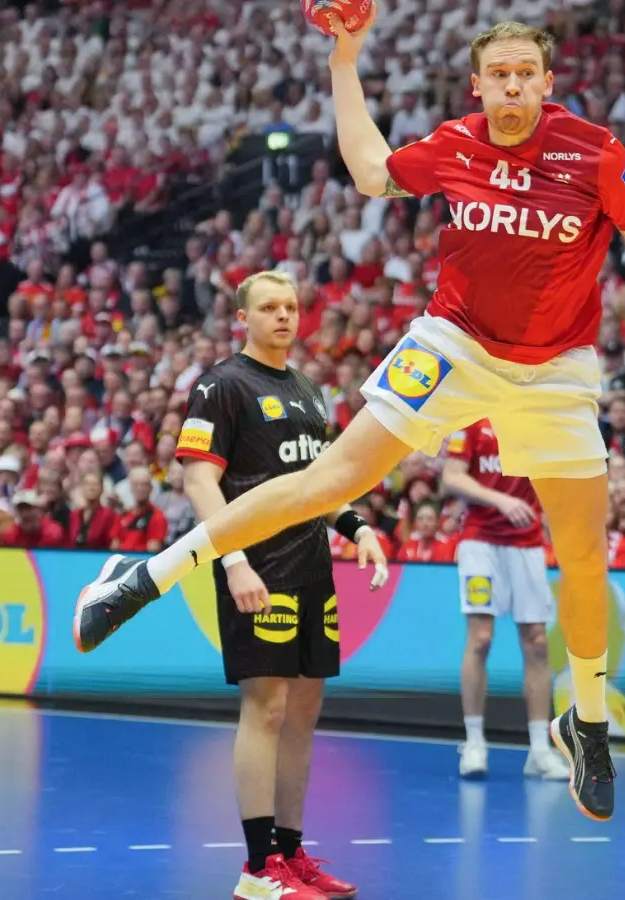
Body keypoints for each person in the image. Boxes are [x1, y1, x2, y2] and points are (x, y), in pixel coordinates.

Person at [73, 15, 625, 822]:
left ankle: (588, 722)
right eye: (500, 75)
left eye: (527, 73)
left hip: (555, 367)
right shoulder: (456, 144)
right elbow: (368, 170)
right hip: (453, 343)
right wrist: (344, 60)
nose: (514, 87)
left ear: (548, 82)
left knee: (582, 555)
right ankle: (144, 575)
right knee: (331, 481)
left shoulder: (596, 152)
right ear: (478, 84)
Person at [164, 271, 390, 900]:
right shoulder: (221, 385)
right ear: (243, 318)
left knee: (304, 712)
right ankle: (257, 868)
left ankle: (290, 855)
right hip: (257, 569)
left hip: (312, 569)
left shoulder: (309, 390)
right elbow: (199, 482)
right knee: (264, 709)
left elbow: (317, 481)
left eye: (291, 306)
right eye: (269, 308)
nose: (284, 316)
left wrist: (355, 525)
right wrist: (232, 561)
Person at [440, 418, 569, 781]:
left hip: (527, 544)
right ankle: (475, 741)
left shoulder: (540, 418)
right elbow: (452, 476)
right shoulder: (473, 421)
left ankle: (540, 752)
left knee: (537, 643)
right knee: (480, 639)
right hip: (480, 542)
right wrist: (501, 499)